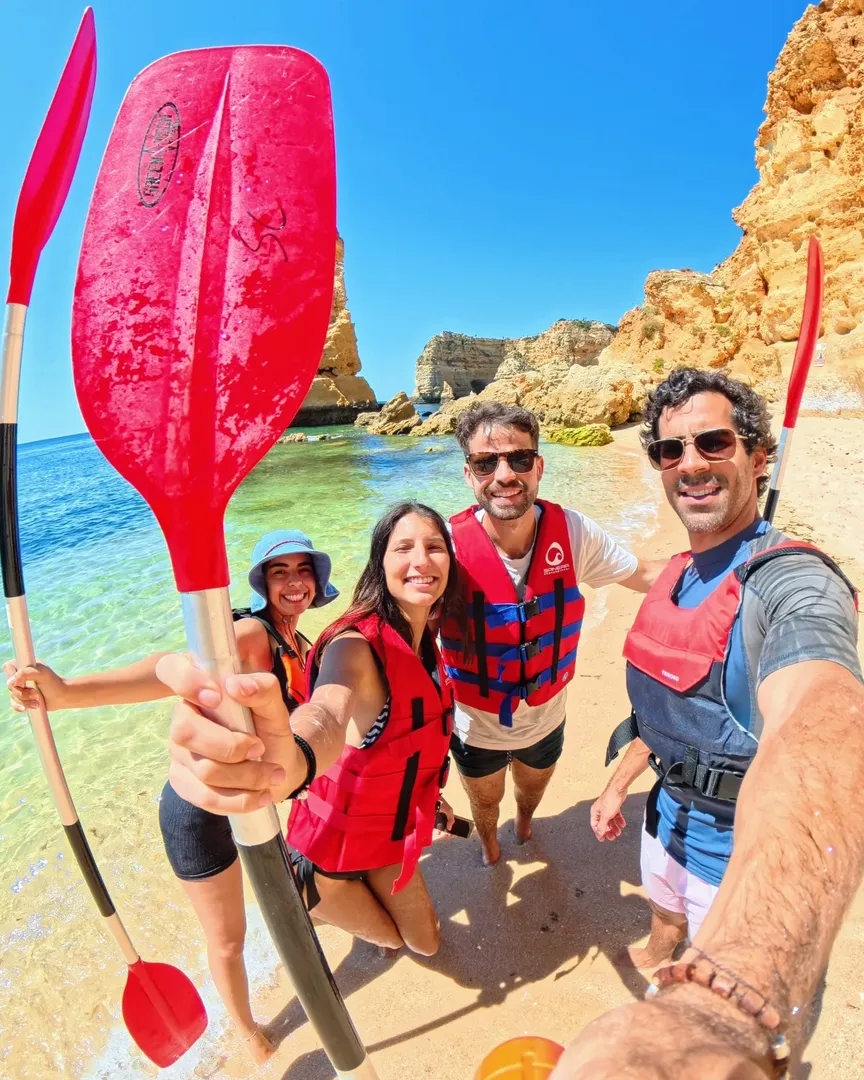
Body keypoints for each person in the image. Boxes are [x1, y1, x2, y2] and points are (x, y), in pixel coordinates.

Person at [575, 368, 864, 1076]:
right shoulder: (679, 571)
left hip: (740, 883)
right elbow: (673, 712)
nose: (691, 464)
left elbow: (826, 725)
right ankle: (657, 941)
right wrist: (619, 785)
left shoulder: (793, 584)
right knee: (661, 905)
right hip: (663, 819)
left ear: (758, 457)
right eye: (671, 451)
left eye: (713, 442)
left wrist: (736, 998)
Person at [4, 529, 338, 1065]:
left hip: (253, 806)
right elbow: (169, 669)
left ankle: (296, 964)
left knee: (293, 894)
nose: (294, 582)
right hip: (196, 812)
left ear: (317, 583)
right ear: (263, 585)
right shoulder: (252, 633)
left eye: (303, 571)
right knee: (227, 939)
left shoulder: (297, 644)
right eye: (281, 572)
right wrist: (66, 696)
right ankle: (247, 1032)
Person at [161, 502, 464, 956]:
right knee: (401, 944)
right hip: (326, 854)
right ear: (380, 564)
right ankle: (310, 895)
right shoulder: (354, 647)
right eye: (403, 547)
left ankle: (353, 901)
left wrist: (430, 798)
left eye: (434, 547)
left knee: (427, 942)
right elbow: (325, 712)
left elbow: (410, 742)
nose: (420, 560)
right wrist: (295, 756)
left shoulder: (424, 636)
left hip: (382, 834)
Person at [439, 401, 660, 865]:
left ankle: (523, 826)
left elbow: (644, 575)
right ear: (468, 474)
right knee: (484, 803)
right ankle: (490, 844)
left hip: (546, 718)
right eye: (486, 463)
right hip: (475, 727)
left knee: (530, 793)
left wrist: (736, 569)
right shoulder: (443, 545)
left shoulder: (573, 532)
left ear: (538, 467)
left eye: (519, 459)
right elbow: (387, 625)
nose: (504, 475)